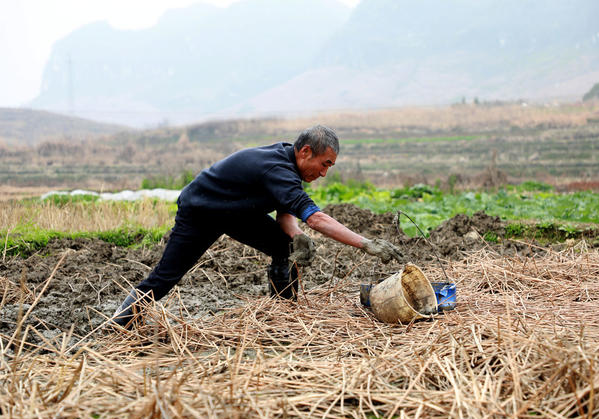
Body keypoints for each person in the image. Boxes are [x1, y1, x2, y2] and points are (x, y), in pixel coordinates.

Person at [112, 125, 404, 328]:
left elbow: (285, 210)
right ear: (305, 152)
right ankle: (119, 325)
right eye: (324, 164)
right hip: (201, 211)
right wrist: (366, 244)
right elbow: (316, 218)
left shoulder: (287, 164)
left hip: (235, 212)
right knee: (166, 276)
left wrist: (297, 236)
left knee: (284, 245)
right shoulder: (278, 169)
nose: (325, 173)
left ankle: (284, 313)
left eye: (330, 167)